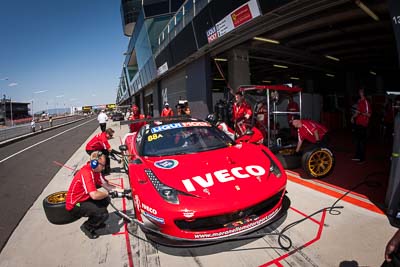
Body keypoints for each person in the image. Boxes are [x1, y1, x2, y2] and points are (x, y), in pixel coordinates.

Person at [65, 151, 117, 239]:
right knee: (102, 213)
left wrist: (123, 191)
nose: (104, 168)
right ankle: (87, 227)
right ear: (94, 163)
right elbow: (94, 195)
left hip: (85, 198)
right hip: (75, 204)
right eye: (103, 165)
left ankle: (96, 221)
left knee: (106, 200)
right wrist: (108, 193)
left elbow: (107, 186)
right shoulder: (86, 173)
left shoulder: (97, 171)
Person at [350, 88, 371, 163]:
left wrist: (361, 113)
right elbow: (357, 112)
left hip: (363, 124)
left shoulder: (366, 102)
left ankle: (362, 159)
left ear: (363, 93)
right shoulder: (360, 102)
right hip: (358, 124)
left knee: (362, 142)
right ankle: (357, 156)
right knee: (357, 141)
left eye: (361, 91)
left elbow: (369, 114)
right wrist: (353, 117)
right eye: (359, 91)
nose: (359, 92)